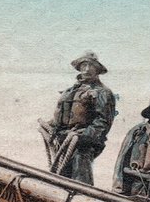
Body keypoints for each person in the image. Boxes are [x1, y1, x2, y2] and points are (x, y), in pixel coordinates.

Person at [42, 51, 117, 185]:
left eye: (91, 66)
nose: (87, 69)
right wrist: (49, 126)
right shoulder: (70, 91)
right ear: (79, 68)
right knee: (57, 182)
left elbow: (103, 122)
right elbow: (62, 117)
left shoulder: (103, 92)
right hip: (61, 143)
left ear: (97, 70)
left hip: (82, 146)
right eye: (84, 65)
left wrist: (82, 137)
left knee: (80, 183)